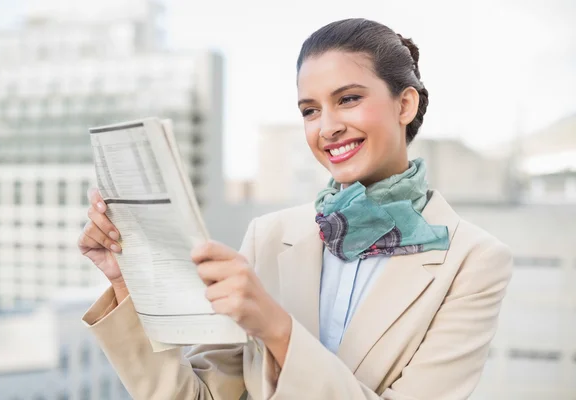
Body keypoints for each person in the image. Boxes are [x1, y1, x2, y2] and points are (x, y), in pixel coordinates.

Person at [78, 18, 512, 400]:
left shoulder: (473, 260)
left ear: (405, 104)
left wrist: (277, 329)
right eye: (310, 110)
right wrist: (126, 281)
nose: (327, 127)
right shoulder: (268, 236)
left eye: (348, 99)